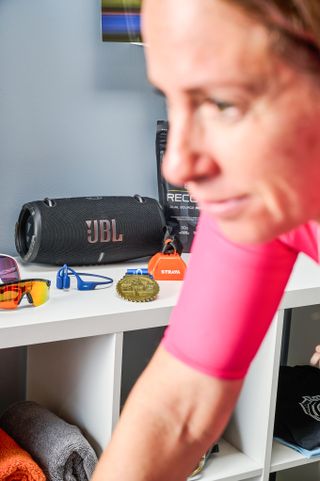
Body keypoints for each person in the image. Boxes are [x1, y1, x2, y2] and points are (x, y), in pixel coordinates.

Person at [92, 1, 320, 480]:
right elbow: (178, 409)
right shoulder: (262, 201)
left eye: (221, 103)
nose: (175, 165)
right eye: (171, 100)